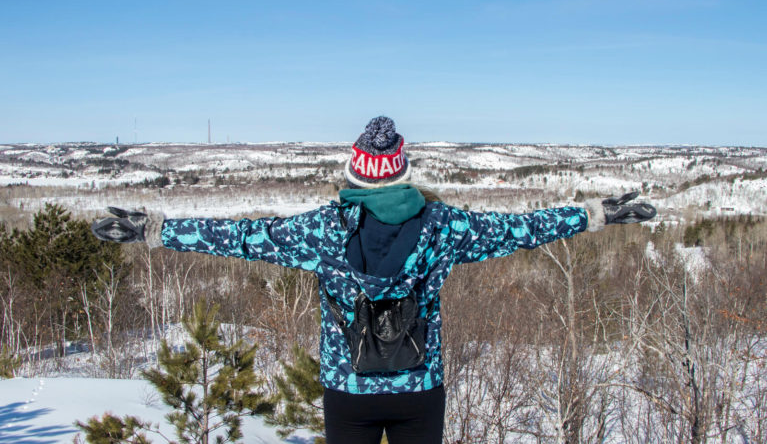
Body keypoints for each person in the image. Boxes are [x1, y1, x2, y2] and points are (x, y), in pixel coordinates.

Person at [92, 116, 656, 444]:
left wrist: (153, 230)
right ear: (405, 172)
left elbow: (240, 238)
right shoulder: (444, 227)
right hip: (419, 389)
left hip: (348, 391)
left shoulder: (321, 231)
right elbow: (521, 229)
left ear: (354, 173)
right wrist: (599, 214)